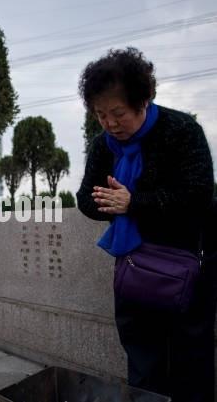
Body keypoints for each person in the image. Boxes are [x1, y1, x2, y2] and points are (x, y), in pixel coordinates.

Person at [76, 48, 216, 401]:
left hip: (185, 268)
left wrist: (133, 202)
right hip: (134, 268)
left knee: (191, 360)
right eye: (100, 115)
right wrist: (111, 204)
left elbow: (198, 194)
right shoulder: (103, 146)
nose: (109, 123)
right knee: (142, 362)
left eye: (118, 113)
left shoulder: (181, 130)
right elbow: (84, 198)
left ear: (144, 99)